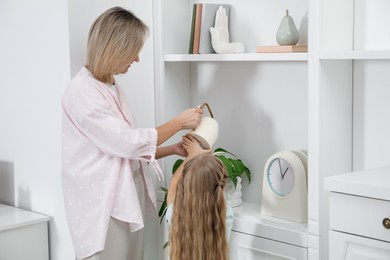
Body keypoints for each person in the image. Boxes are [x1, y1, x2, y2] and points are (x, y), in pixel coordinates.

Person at [61, 7, 203, 260]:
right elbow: (128, 143)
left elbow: (122, 150)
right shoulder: (83, 92)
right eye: (133, 51)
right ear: (115, 48)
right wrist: (179, 122)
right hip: (103, 208)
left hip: (124, 200)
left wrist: (172, 150)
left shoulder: (110, 86)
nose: (137, 59)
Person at [166, 135, 234, 260]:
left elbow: (173, 182)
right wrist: (205, 154)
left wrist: (193, 155)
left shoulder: (174, 213)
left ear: (185, 184)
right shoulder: (226, 215)